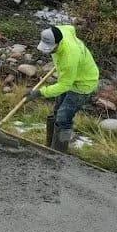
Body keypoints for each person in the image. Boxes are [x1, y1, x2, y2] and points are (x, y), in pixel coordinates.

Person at [28, 25, 100, 153]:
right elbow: (72, 28)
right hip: (70, 76)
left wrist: (39, 92)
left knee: (63, 117)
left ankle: (59, 152)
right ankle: (49, 146)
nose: (48, 52)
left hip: (83, 83)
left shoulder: (69, 57)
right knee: (56, 111)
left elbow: (64, 86)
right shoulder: (61, 31)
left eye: (51, 49)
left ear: (58, 43)